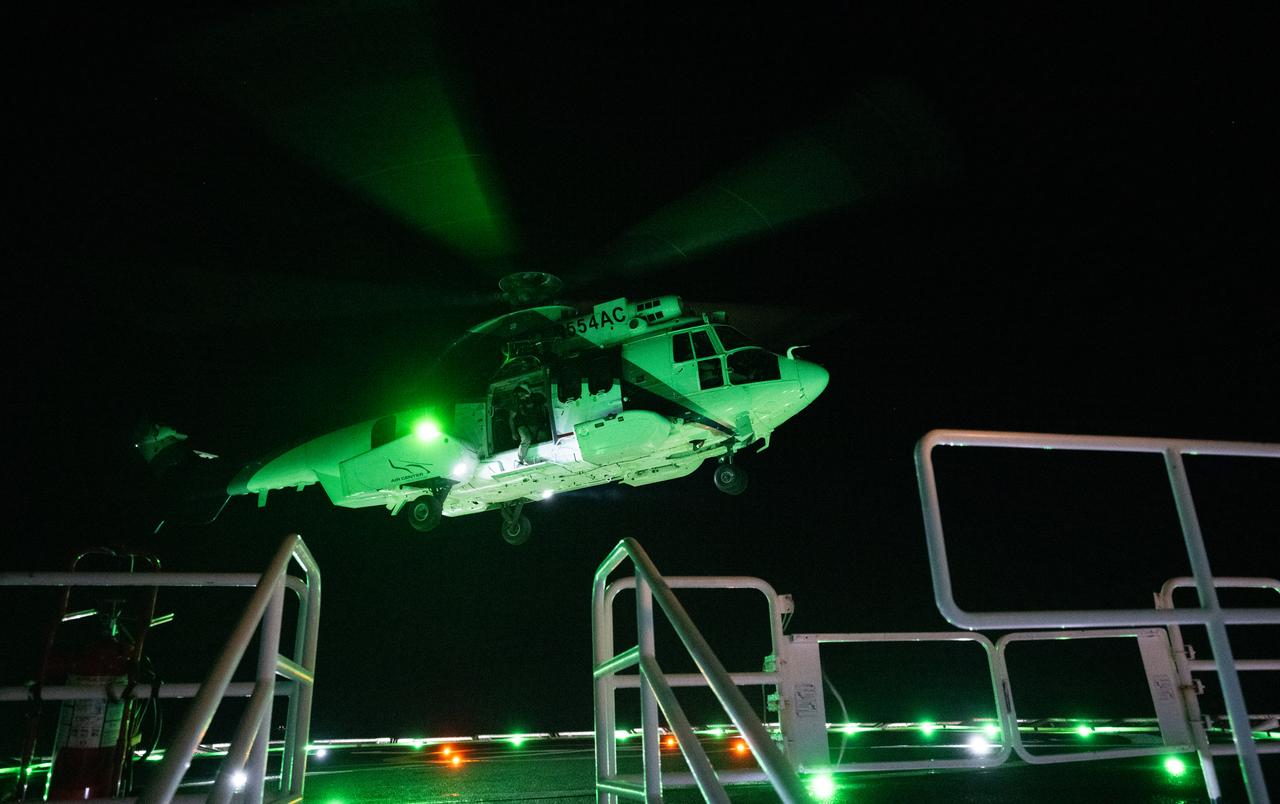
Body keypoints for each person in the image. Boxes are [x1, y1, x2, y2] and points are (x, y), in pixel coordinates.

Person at [508, 383, 546, 464]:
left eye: (522, 392)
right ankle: (520, 460)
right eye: (519, 393)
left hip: (536, 424)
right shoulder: (516, 402)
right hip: (523, 425)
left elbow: (546, 406)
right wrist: (513, 433)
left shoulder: (537, 397)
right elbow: (511, 418)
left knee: (543, 437)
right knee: (526, 439)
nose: (520, 395)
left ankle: (545, 456)